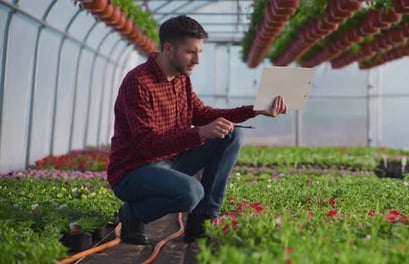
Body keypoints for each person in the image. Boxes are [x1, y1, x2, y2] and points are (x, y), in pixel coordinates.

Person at [107, 15, 288, 245]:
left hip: (170, 162)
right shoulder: (138, 82)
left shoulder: (181, 80)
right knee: (191, 192)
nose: (197, 60)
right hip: (134, 171)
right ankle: (133, 215)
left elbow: (203, 114)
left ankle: (202, 220)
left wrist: (257, 109)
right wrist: (200, 133)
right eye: (191, 52)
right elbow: (147, 144)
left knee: (231, 134)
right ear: (169, 49)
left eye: (200, 52)